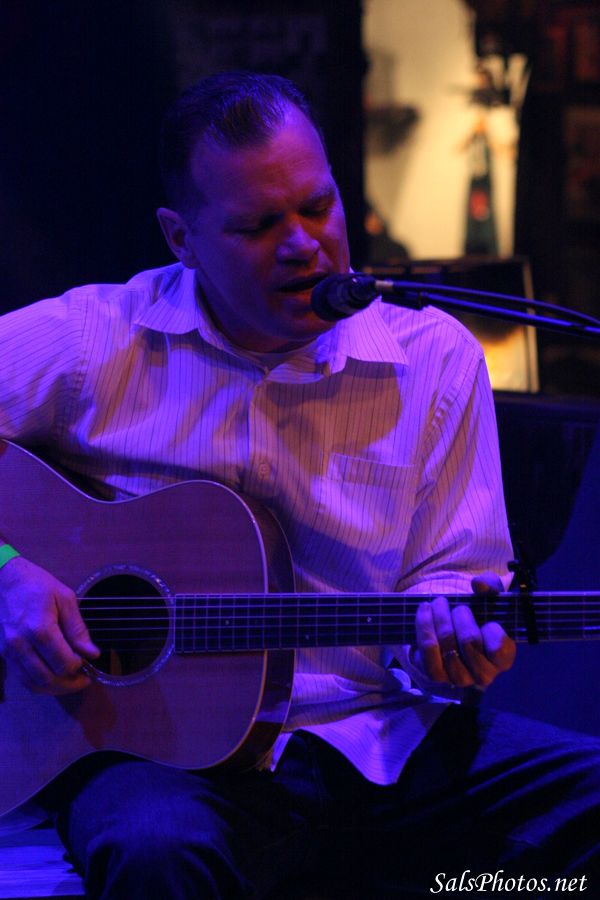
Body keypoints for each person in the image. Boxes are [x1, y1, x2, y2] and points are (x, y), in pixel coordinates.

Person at [0, 72, 598, 900]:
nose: (304, 246)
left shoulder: (435, 358)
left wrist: (451, 648)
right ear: (180, 238)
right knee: (158, 849)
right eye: (257, 225)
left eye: (318, 207)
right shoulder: (92, 342)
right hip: (158, 756)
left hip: (383, 741)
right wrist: (10, 573)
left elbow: (452, 581)